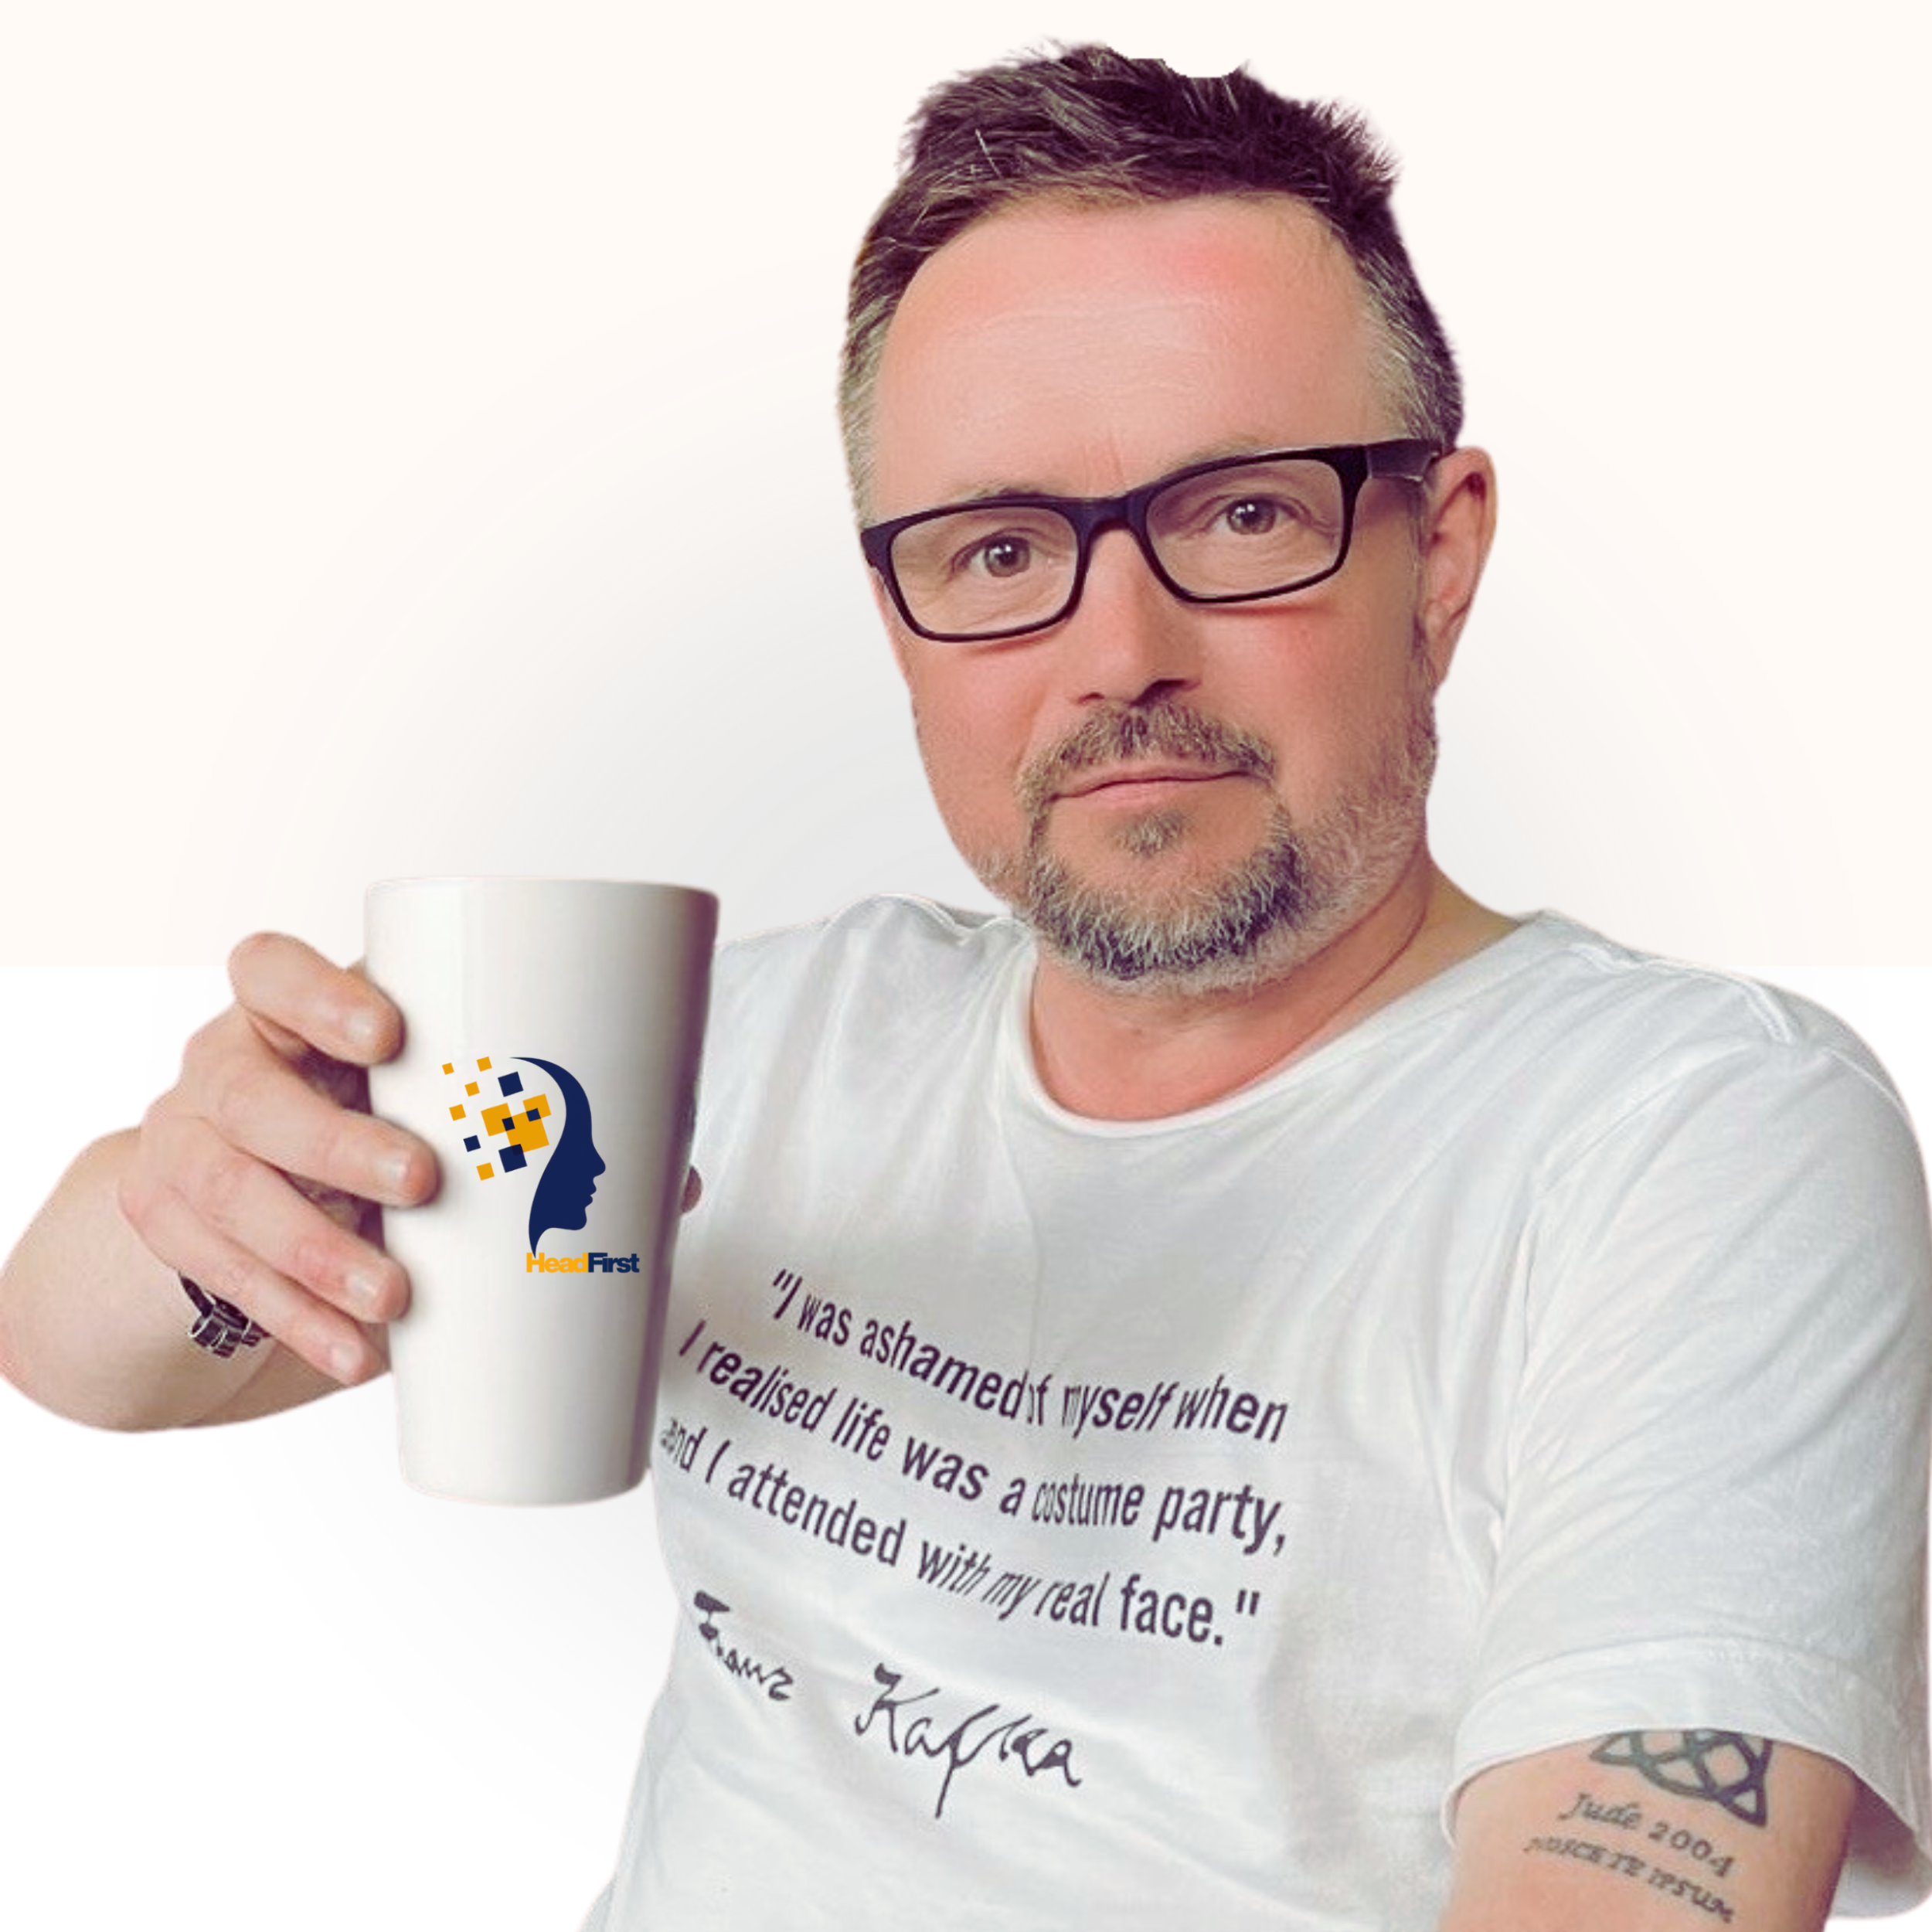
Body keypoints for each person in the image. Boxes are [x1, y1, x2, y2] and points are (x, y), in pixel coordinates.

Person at [3, 43, 1928, 1932]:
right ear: (899, 621)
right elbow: (74, 1352)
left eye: (1240, 512)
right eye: (999, 547)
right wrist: (217, 1205)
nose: (1116, 653)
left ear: (1437, 557)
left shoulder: (1693, 1141)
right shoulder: (740, 1046)